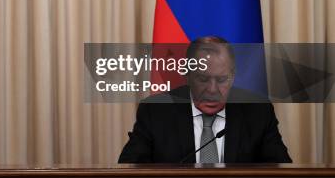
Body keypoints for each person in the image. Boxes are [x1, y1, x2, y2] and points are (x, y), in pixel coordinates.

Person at [118, 36, 292, 163]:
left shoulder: (257, 111)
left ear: (233, 76)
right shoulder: (156, 111)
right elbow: (129, 171)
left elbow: (282, 174)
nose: (212, 90)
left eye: (222, 80)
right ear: (187, 75)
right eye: (203, 79)